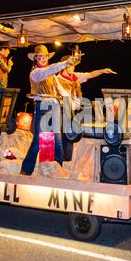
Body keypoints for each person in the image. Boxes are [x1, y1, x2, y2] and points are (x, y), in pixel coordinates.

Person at [20, 45, 78, 175]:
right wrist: (66, 63)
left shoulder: (52, 75)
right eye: (40, 57)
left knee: (56, 140)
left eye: (45, 56)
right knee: (38, 141)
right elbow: (50, 70)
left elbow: (61, 90)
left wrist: (72, 103)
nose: (43, 59)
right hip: (43, 107)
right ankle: (26, 169)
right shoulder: (35, 73)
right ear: (35, 58)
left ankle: (56, 169)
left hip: (54, 107)